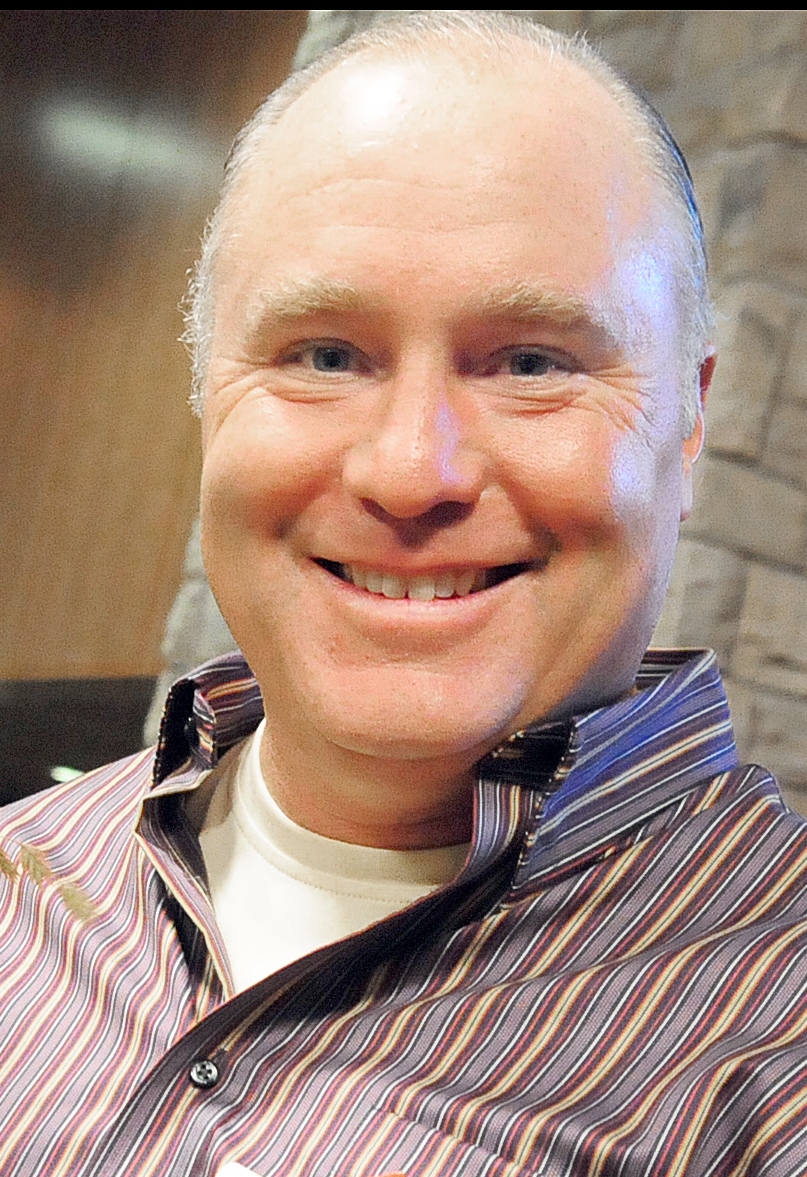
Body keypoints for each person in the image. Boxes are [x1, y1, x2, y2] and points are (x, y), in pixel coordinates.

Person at [2, 12, 807, 1176]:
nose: (409, 471)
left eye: (531, 363)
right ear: (208, 392)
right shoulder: (23, 873)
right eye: (325, 356)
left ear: (688, 426)